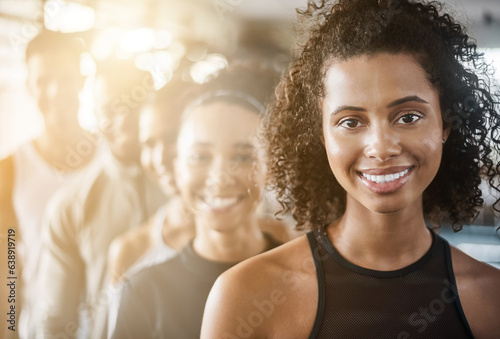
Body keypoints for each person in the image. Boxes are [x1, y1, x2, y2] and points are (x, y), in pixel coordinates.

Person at [201, 0, 500, 338]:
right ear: (322, 135)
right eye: (351, 121)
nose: (381, 147)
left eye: (408, 117)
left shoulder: (491, 300)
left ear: (445, 122)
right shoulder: (245, 296)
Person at [110, 64, 286, 339]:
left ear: (270, 166)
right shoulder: (143, 292)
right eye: (199, 157)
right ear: (177, 168)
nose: (219, 179)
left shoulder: (304, 276)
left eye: (242, 157)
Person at [36, 59, 165, 339]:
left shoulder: (188, 191)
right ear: (94, 113)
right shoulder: (70, 206)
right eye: (109, 109)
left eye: (135, 105)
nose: (124, 121)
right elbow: (55, 324)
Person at [0, 29, 100, 339]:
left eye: (66, 78)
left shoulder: (113, 161)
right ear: (29, 87)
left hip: (111, 327)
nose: (56, 91)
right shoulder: (10, 170)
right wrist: (9, 332)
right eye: (43, 81)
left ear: (83, 81)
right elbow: (8, 269)